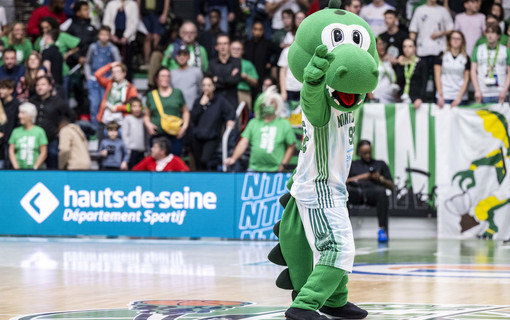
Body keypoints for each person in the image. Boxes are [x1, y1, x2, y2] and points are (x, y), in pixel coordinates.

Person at [224, 86, 296, 172]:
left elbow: (291, 146)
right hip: (254, 169)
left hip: (275, 171)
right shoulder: (253, 123)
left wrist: (283, 165)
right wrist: (233, 158)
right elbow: (243, 143)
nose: (268, 105)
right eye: (266, 103)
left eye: (272, 102)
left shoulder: (284, 124)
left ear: (277, 105)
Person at [347, 140, 394, 242]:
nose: (367, 155)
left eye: (369, 152)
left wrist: (381, 179)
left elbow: (391, 187)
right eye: (364, 153)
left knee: (382, 192)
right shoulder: (352, 164)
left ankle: (382, 230)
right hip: (355, 192)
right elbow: (344, 181)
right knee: (345, 193)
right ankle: (345, 231)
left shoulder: (380, 164)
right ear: (358, 153)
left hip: (372, 193)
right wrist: (364, 176)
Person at [190, 75, 235, 171]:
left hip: (212, 136)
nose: (206, 88)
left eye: (209, 85)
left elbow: (230, 111)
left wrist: (229, 120)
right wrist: (201, 106)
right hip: (197, 137)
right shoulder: (198, 101)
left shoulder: (220, 101)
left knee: (205, 160)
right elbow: (193, 118)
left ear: (213, 87)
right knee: (198, 163)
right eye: (204, 85)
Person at [30, 75, 73, 169]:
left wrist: (62, 128)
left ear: (50, 87)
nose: (40, 87)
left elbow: (71, 116)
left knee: (53, 167)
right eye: (37, 85)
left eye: (43, 84)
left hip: (51, 140)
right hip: (34, 141)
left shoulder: (58, 102)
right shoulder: (32, 101)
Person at [144, 67, 189, 157]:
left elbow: (185, 112)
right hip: (157, 135)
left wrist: (184, 127)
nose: (165, 78)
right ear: (157, 79)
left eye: (168, 76)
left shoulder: (177, 93)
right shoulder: (151, 95)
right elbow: (146, 115)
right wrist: (148, 124)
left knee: (174, 160)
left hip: (175, 135)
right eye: (163, 76)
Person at [84, 25, 122, 130]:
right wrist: (89, 77)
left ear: (109, 36)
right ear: (98, 35)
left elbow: (118, 64)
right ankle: (95, 129)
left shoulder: (113, 49)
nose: (104, 37)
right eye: (102, 34)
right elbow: (87, 63)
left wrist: (111, 77)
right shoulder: (93, 47)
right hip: (94, 80)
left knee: (105, 105)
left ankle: (106, 129)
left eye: (106, 35)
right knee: (94, 105)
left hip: (107, 81)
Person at [409, 0, 453, 80]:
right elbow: (413, 30)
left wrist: (441, 33)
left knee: (438, 78)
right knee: (422, 79)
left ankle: (438, 93)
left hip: (439, 50)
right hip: (422, 50)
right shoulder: (419, 10)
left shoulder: (443, 10)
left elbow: (451, 29)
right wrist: (412, 47)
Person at [471, 23, 510, 104]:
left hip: (500, 94)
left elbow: (509, 72)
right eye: (488, 32)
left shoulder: (506, 51)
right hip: (482, 94)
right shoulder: (478, 49)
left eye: (493, 32)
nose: (490, 35)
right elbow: (473, 71)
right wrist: (477, 90)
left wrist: (505, 90)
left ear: (498, 36)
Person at [102, 0, 140, 81]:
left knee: (127, 64)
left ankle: (127, 85)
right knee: (112, 63)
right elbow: (106, 22)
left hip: (128, 39)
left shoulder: (132, 4)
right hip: (113, 37)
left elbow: (134, 22)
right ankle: (111, 84)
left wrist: (126, 36)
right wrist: (112, 35)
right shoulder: (111, 4)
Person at [95, 62, 138, 130]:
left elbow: (133, 107)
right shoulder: (109, 83)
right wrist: (110, 65)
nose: (115, 74)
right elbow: (97, 75)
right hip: (106, 118)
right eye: (113, 72)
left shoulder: (130, 88)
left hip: (121, 121)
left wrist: (118, 108)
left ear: (124, 73)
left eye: (118, 72)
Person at [434, 31, 471, 107]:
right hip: (444, 95)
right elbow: (437, 76)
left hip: (460, 97)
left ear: (462, 41)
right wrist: (440, 96)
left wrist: (459, 98)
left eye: (458, 39)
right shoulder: (442, 56)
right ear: (449, 40)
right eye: (453, 38)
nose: (455, 40)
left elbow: (466, 79)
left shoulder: (466, 58)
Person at [8, 102, 48, 170]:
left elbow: (43, 152)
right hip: (18, 170)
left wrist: (35, 168)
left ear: (30, 116)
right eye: (19, 113)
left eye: (22, 113)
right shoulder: (15, 131)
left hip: (35, 171)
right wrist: (16, 168)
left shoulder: (39, 131)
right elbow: (11, 150)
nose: (19, 116)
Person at [207, 34, 242, 109]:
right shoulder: (212, 63)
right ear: (216, 47)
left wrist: (218, 79)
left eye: (225, 44)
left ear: (229, 46)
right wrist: (228, 79)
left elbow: (235, 80)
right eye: (220, 44)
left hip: (231, 101)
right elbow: (211, 82)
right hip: (215, 101)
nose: (223, 47)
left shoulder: (236, 62)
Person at [395, 38, 429, 109]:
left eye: (410, 46)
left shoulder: (421, 63)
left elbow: (424, 83)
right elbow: (398, 81)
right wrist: (400, 65)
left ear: (415, 48)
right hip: (403, 98)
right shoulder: (401, 63)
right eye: (405, 46)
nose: (407, 49)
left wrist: (420, 98)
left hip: (417, 99)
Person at [137, 0, 170, 68]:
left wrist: (165, 13)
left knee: (156, 37)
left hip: (158, 13)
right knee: (147, 37)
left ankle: (156, 62)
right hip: (145, 13)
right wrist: (138, 12)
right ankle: (147, 62)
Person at [170, 46, 203, 110]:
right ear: (176, 57)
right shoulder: (172, 73)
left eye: (184, 55)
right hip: (177, 110)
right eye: (179, 55)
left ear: (189, 57)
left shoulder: (196, 71)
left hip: (193, 109)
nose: (182, 57)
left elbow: (200, 90)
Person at [230, 40, 259, 111]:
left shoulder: (248, 64)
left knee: (244, 118)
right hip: (229, 93)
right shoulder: (225, 63)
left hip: (243, 93)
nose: (236, 51)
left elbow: (255, 82)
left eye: (238, 49)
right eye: (233, 49)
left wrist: (246, 77)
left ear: (242, 51)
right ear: (229, 49)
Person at [244, 20, 274, 86]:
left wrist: (271, 63)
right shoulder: (247, 44)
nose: (258, 32)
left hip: (263, 74)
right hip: (249, 76)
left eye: (260, 29)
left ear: (263, 31)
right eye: (255, 29)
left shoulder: (267, 44)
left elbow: (276, 54)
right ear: (252, 30)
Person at [368, 37, 398, 103]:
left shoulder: (388, 61)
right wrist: (372, 98)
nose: (382, 47)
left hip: (391, 98)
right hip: (378, 98)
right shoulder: (371, 62)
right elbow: (368, 80)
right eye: (379, 44)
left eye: (383, 44)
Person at [122, 97, 146, 169]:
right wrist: (127, 150)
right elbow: (124, 135)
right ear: (130, 108)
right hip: (131, 151)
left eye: (139, 106)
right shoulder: (128, 119)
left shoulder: (144, 119)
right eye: (134, 106)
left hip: (142, 151)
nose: (137, 109)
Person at [0, 79, 19, 168]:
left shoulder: (16, 105)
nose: (0, 91)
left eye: (3, 88)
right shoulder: (1, 104)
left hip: (11, 141)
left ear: (11, 90)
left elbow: (18, 125)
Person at [41, 29, 64, 95]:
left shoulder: (47, 52)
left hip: (52, 84)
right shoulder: (58, 51)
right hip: (59, 83)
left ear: (48, 37)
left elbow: (47, 68)